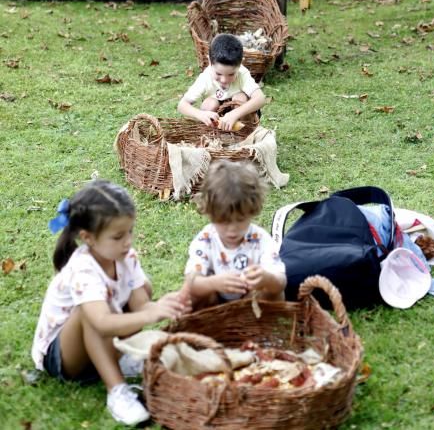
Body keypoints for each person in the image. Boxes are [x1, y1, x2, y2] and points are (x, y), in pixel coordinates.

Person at [32, 179, 191, 426]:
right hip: (62, 358)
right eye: (118, 236)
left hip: (98, 337)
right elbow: (101, 322)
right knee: (92, 314)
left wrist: (165, 306)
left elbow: (140, 306)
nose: (128, 241)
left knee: (144, 289)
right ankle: (117, 392)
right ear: (88, 238)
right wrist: (150, 315)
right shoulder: (83, 267)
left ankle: (117, 357)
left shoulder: (125, 256)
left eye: (130, 231)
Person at [184, 160, 286, 309]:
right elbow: (191, 283)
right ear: (210, 214)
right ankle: (209, 327)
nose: (232, 229)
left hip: (250, 303)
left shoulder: (261, 240)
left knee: (273, 293)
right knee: (190, 297)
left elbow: (280, 282)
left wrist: (266, 279)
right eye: (223, 221)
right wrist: (214, 283)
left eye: (240, 220)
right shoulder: (206, 239)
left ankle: (256, 327)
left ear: (252, 211)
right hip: (214, 305)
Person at [177, 33, 266, 131]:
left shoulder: (242, 73)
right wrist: (200, 114)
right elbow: (182, 105)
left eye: (231, 74)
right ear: (210, 62)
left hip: (240, 116)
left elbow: (260, 98)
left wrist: (234, 114)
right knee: (210, 103)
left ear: (240, 64)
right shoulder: (205, 78)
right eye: (218, 74)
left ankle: (245, 133)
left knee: (240, 98)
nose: (224, 80)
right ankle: (213, 134)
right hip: (217, 116)